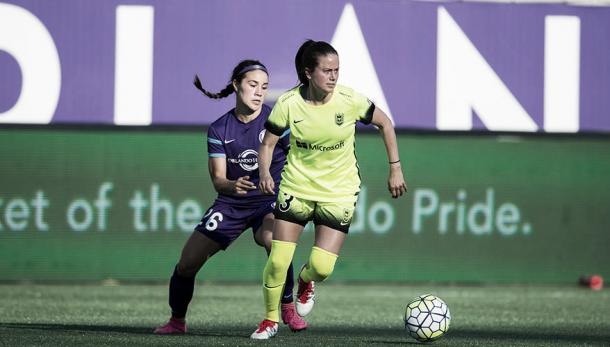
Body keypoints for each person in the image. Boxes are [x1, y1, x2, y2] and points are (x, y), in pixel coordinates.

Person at [250, 40, 407, 339]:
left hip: (339, 192)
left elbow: (386, 124)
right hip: (297, 187)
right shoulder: (288, 103)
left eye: (337, 70)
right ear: (309, 73)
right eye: (327, 70)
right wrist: (264, 173)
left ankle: (306, 281)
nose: (333, 76)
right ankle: (270, 320)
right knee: (278, 260)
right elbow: (268, 144)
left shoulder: (349, 100)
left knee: (322, 268)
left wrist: (395, 167)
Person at [154, 60, 307, 335]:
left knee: (272, 240)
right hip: (231, 203)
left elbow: (299, 160)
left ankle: (286, 306)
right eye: (252, 85)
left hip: (269, 200)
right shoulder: (219, 129)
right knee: (187, 263)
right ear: (236, 85)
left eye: (264, 87)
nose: (259, 92)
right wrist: (230, 185)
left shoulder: (277, 121)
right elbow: (218, 180)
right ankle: (177, 321)